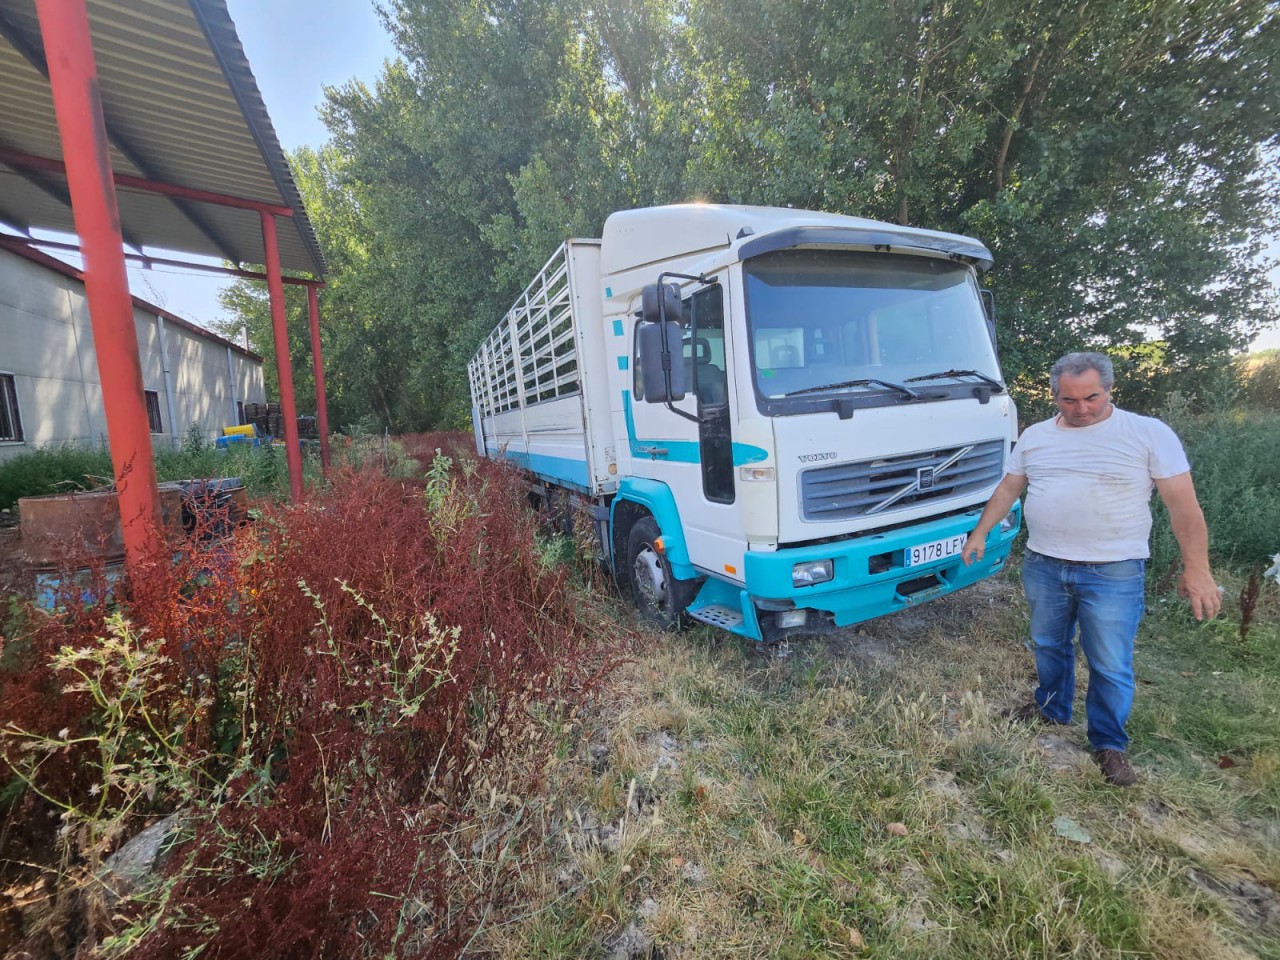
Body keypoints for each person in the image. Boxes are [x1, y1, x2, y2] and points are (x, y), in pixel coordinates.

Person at [962, 351, 1220, 787]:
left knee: (1109, 661)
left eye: (1092, 398)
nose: (1082, 409)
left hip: (1114, 571)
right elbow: (1010, 487)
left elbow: (1184, 507)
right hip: (1045, 563)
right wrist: (980, 532)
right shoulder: (1036, 437)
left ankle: (1108, 743)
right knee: (1047, 643)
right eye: (1069, 400)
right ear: (1054, 396)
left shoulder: (1147, 434)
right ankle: (1050, 707)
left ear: (1110, 389)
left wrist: (1197, 569)